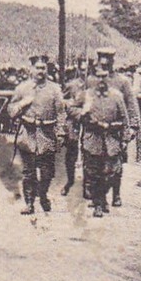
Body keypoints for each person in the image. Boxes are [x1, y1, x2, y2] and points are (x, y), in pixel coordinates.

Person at [10, 55, 63, 214]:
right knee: (28, 172)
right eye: (37, 68)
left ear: (47, 70)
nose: (40, 71)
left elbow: (60, 112)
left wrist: (60, 133)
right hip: (28, 134)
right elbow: (10, 110)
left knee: (47, 172)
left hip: (47, 134)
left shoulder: (55, 89)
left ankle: (43, 194)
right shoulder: (22, 88)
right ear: (31, 69)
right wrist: (21, 104)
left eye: (43, 68)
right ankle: (29, 203)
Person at [75, 64, 129, 217]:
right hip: (93, 139)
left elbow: (124, 119)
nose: (101, 79)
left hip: (111, 139)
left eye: (104, 76)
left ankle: (103, 197)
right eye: (98, 76)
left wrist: (124, 139)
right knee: (94, 173)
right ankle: (98, 203)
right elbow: (71, 108)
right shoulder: (86, 95)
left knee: (111, 173)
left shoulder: (117, 96)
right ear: (93, 78)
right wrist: (83, 114)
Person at [97, 48, 140, 207]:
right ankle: (99, 196)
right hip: (96, 130)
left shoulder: (123, 82)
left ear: (113, 61)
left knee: (116, 164)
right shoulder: (92, 80)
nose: (105, 63)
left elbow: (131, 104)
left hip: (116, 130)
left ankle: (116, 194)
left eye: (108, 60)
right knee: (96, 164)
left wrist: (133, 127)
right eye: (102, 60)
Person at [58, 59, 87, 196]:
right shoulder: (72, 86)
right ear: (78, 71)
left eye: (88, 70)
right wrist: (71, 107)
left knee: (89, 153)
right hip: (73, 123)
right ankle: (70, 181)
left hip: (90, 124)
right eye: (82, 70)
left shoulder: (96, 86)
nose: (85, 73)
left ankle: (87, 185)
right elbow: (61, 102)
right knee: (71, 154)